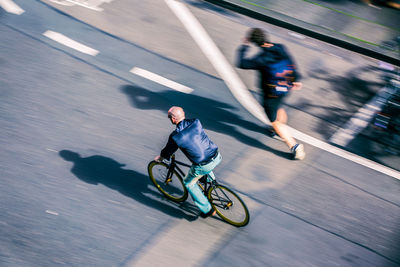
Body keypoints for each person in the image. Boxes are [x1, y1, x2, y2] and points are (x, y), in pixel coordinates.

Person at [236, 28, 306, 160]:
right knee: (279, 107)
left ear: (254, 42)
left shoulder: (261, 59)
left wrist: (244, 46)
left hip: (271, 93)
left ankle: (295, 146)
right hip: (286, 86)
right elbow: (291, 62)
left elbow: (242, 63)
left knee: (274, 120)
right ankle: (276, 130)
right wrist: (296, 78)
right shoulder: (280, 47)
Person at [154, 106, 222, 218]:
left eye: (169, 117)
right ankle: (212, 182)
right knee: (201, 163)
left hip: (204, 165)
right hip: (216, 155)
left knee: (188, 183)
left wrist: (160, 158)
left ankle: (208, 210)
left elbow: (167, 151)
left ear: (173, 119)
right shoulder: (196, 122)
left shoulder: (176, 136)